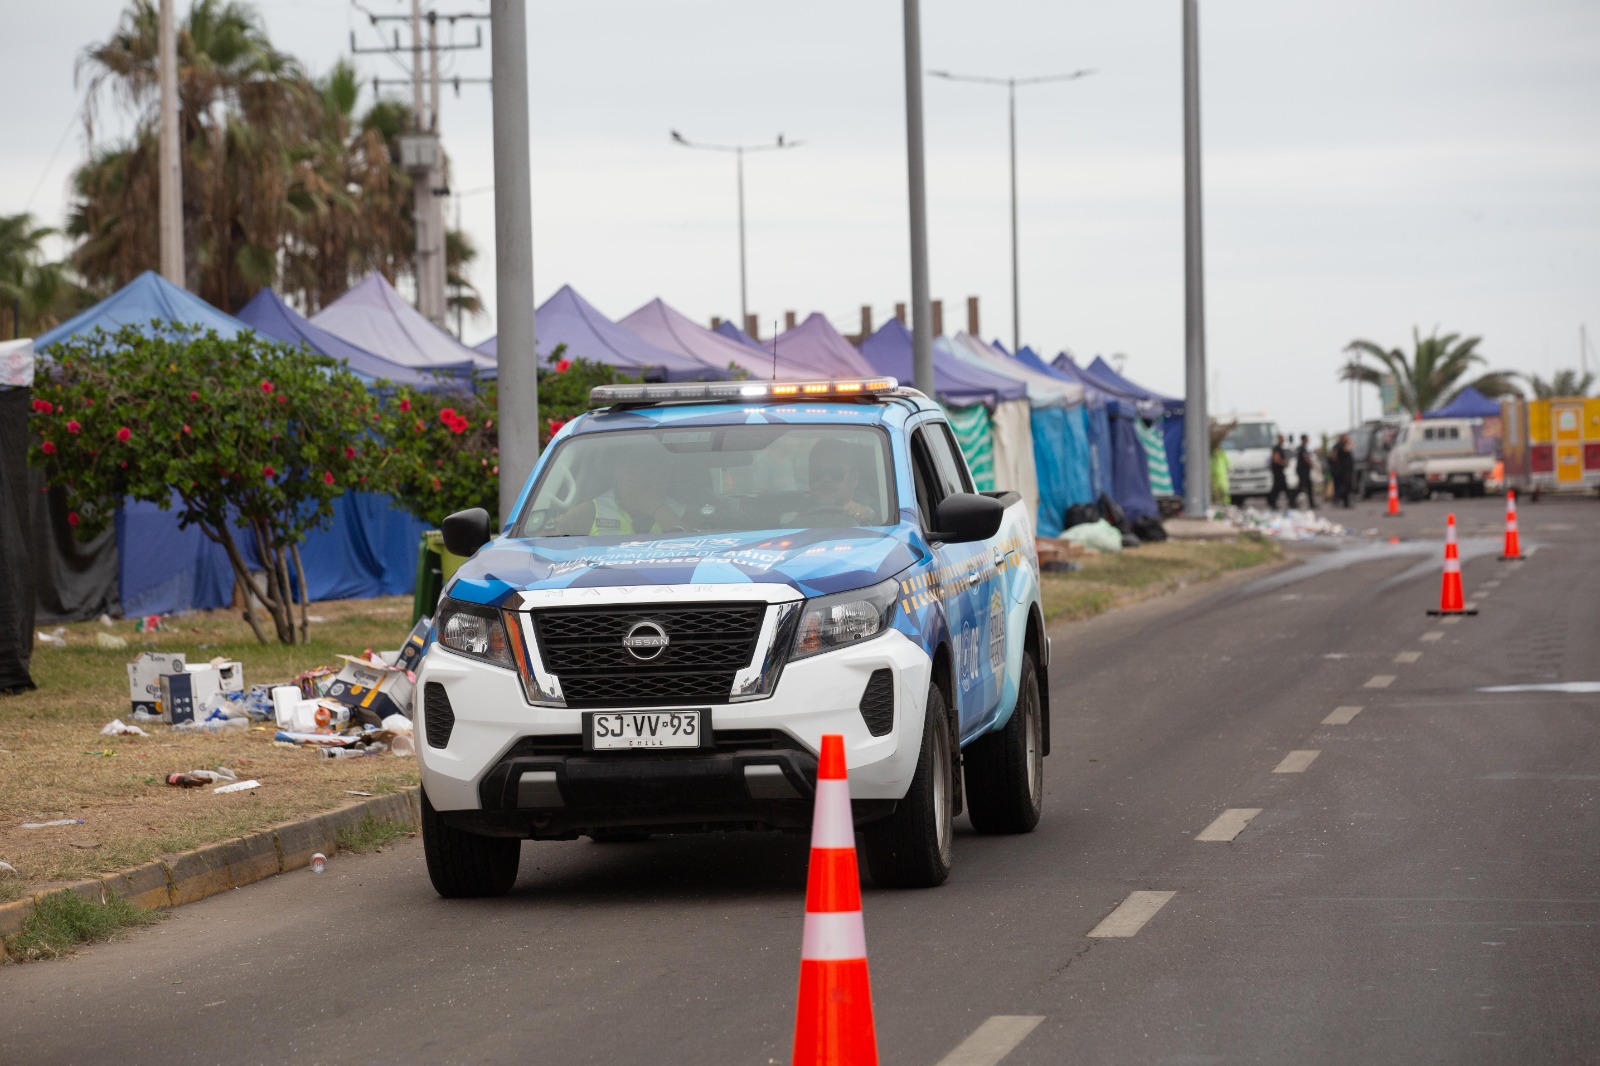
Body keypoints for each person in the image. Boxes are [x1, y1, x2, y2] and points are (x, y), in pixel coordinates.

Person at [553, 453, 685, 535]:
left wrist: (656, 508)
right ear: (616, 473)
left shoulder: (682, 512)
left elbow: (699, 546)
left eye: (646, 471)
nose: (633, 479)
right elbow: (546, 540)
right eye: (628, 470)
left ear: (665, 475)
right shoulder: (592, 510)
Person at [792, 439, 873, 524]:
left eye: (836, 473)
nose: (826, 479)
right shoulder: (794, 511)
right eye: (818, 473)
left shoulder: (876, 510)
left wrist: (865, 514)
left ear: (853, 478)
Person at [1267, 434, 1291, 510]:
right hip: (1277, 471)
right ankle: (1272, 502)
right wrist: (1284, 463)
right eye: (1282, 438)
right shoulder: (1277, 448)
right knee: (1277, 487)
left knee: (1280, 487)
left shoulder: (1279, 448)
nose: (1283, 440)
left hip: (1278, 470)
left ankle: (1290, 502)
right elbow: (1276, 459)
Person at [1332, 433, 1355, 508]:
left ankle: (1346, 502)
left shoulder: (1342, 445)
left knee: (1347, 485)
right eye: (1346, 438)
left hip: (1347, 469)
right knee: (1345, 485)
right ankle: (1338, 497)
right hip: (1343, 469)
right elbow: (1344, 450)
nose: (1347, 439)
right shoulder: (1339, 446)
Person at [1295, 434, 1316, 510]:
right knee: (1301, 487)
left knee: (1308, 487)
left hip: (1304, 470)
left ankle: (1311, 503)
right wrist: (1311, 464)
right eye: (1307, 439)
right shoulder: (1302, 448)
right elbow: (1305, 457)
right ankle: (1293, 501)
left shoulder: (1303, 448)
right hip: (1302, 471)